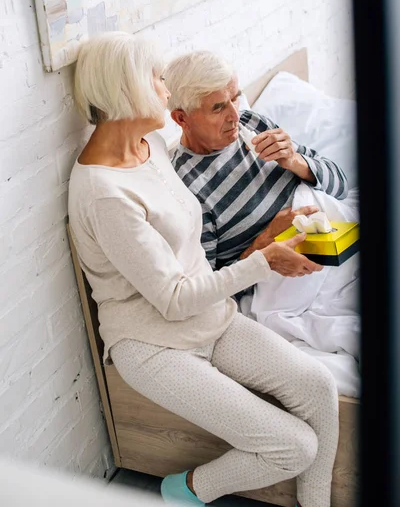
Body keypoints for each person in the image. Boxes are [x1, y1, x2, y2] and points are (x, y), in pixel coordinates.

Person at [68, 31, 338, 507]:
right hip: (155, 345)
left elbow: (194, 257)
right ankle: (184, 491)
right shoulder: (104, 193)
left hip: (210, 316)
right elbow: (172, 300)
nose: (166, 89)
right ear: (124, 89)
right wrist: (263, 259)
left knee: (320, 387)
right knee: (294, 447)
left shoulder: (149, 145)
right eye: (156, 79)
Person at [164, 51, 361, 392]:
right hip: (288, 279)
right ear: (181, 118)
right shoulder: (187, 190)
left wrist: (298, 162)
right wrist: (265, 240)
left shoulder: (254, 124)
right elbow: (211, 291)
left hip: (336, 232)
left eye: (235, 97)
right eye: (217, 108)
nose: (234, 115)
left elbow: (341, 184)